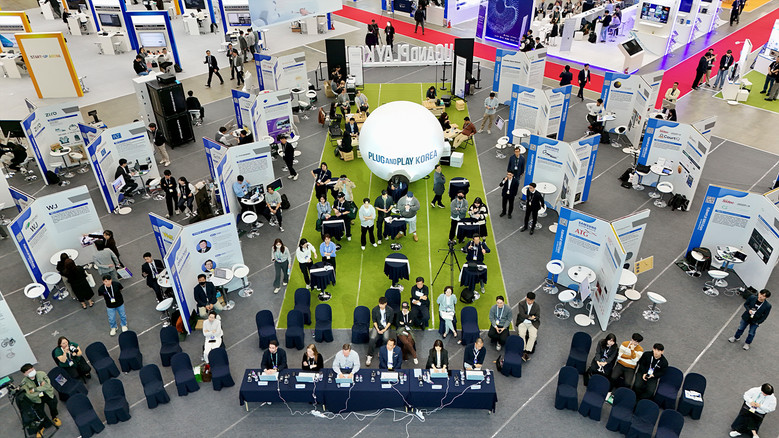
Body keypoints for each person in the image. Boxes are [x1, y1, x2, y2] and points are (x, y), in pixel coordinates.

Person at [20, 363, 62, 437]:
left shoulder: (42, 374)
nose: (32, 372)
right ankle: (45, 424)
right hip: (37, 399)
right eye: (29, 371)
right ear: (25, 374)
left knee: (53, 405)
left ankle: (54, 417)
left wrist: (34, 390)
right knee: (40, 412)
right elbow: (29, 395)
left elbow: (48, 386)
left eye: (32, 369)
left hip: (47, 394)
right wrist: (41, 389)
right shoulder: (24, 383)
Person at [366, 296, 394, 366]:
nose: (381, 306)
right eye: (380, 304)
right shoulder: (375, 310)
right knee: (372, 338)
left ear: (386, 304)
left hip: (386, 327)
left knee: (386, 339)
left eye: (382, 304)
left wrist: (384, 329)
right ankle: (369, 355)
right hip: (377, 326)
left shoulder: (390, 310)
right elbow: (374, 321)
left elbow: (390, 322)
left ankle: (382, 352)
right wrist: (377, 329)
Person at [515, 292, 540, 362]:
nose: (530, 302)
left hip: (532, 323)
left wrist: (534, 318)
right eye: (529, 300)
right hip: (522, 322)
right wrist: (530, 317)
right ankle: (523, 350)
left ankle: (527, 351)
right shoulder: (521, 304)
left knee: (533, 336)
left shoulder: (537, 306)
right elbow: (522, 315)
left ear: (534, 300)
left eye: (532, 301)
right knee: (522, 334)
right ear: (526, 298)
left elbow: (538, 316)